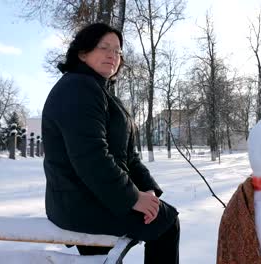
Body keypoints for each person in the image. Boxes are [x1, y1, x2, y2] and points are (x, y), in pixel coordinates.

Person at [41, 22, 180, 264]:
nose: (112, 55)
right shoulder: (77, 88)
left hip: (97, 196)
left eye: (117, 51)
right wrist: (133, 198)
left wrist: (147, 191)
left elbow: (128, 156)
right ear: (82, 52)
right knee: (166, 224)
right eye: (104, 47)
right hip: (79, 202)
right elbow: (91, 157)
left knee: (153, 220)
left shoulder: (102, 93)